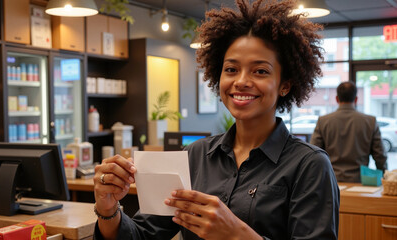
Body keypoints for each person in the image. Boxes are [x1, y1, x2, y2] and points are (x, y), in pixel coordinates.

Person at [93, 0, 339, 239]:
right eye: (231, 69)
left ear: (285, 85)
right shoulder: (195, 156)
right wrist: (108, 208)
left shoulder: (310, 166)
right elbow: (142, 235)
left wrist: (236, 234)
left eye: (260, 71)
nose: (241, 81)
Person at [310, 81, 387, 183]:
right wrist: (384, 178)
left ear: (337, 99)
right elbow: (380, 155)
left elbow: (314, 154)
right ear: (356, 99)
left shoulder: (323, 121)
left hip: (330, 181)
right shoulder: (370, 121)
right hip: (360, 181)